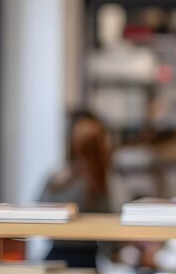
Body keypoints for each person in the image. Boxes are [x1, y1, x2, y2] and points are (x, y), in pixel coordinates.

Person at [39, 110, 112, 268]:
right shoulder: (95, 181)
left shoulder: (57, 176)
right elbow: (109, 225)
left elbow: (37, 209)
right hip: (81, 261)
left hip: (53, 258)